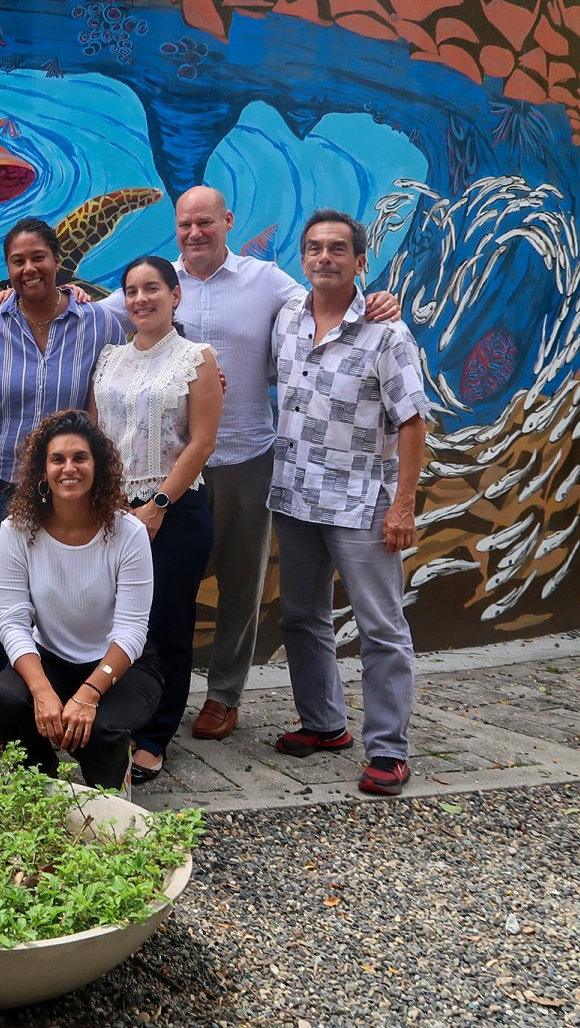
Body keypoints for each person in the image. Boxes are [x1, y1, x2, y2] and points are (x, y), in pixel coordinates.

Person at [150, 187, 399, 743]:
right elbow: (100, 312)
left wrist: (380, 301)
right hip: (171, 465)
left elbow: (330, 300)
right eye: (186, 223)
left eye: (206, 222)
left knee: (241, 582)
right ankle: (158, 690)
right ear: (176, 226)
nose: (195, 233)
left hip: (246, 455)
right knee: (167, 583)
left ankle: (223, 696)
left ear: (227, 222)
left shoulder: (266, 282)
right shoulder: (157, 282)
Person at [267, 209, 430, 798]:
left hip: (364, 503)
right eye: (313, 248)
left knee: (380, 627)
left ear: (361, 262)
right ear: (303, 258)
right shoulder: (286, 317)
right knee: (302, 618)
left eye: (338, 249)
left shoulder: (388, 333)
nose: (324, 257)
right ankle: (324, 723)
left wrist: (403, 504)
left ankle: (388, 750)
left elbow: (413, 421)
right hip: (294, 494)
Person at [0, 217, 128, 682]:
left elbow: (142, 363)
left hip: (70, 488)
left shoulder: (98, 321)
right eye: (18, 261)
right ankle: (7, 702)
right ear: (7, 268)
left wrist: (203, 370)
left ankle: (69, 690)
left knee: (67, 588)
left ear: (59, 261)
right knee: (4, 595)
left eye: (39, 257)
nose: (29, 268)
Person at [90, 256, 220, 785]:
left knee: (166, 625)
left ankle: (155, 736)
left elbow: (202, 441)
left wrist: (157, 506)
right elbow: (97, 435)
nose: (141, 299)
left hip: (175, 512)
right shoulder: (110, 358)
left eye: (152, 289)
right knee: (117, 623)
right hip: (114, 513)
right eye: (131, 290)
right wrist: (110, 505)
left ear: (175, 295)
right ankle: (118, 718)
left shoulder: (196, 358)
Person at [0, 411, 160, 791]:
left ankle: (111, 800)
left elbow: (131, 631)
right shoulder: (15, 532)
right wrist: (43, 691)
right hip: (52, 660)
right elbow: (12, 622)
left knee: (101, 728)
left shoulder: (129, 533)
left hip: (119, 667)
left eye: (80, 457)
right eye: (57, 459)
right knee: (2, 700)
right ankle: (42, 785)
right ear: (42, 470)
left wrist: (89, 694)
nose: (69, 468)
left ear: (98, 466)